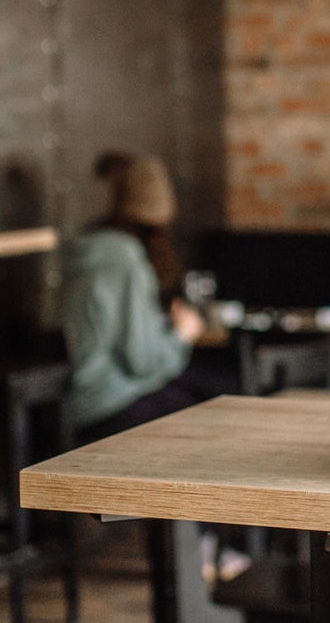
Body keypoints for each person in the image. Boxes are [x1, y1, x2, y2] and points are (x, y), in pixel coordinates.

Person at [57, 151, 235, 443]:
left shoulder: (86, 250)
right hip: (106, 406)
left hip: (73, 400)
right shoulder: (125, 261)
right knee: (219, 408)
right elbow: (142, 361)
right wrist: (182, 333)